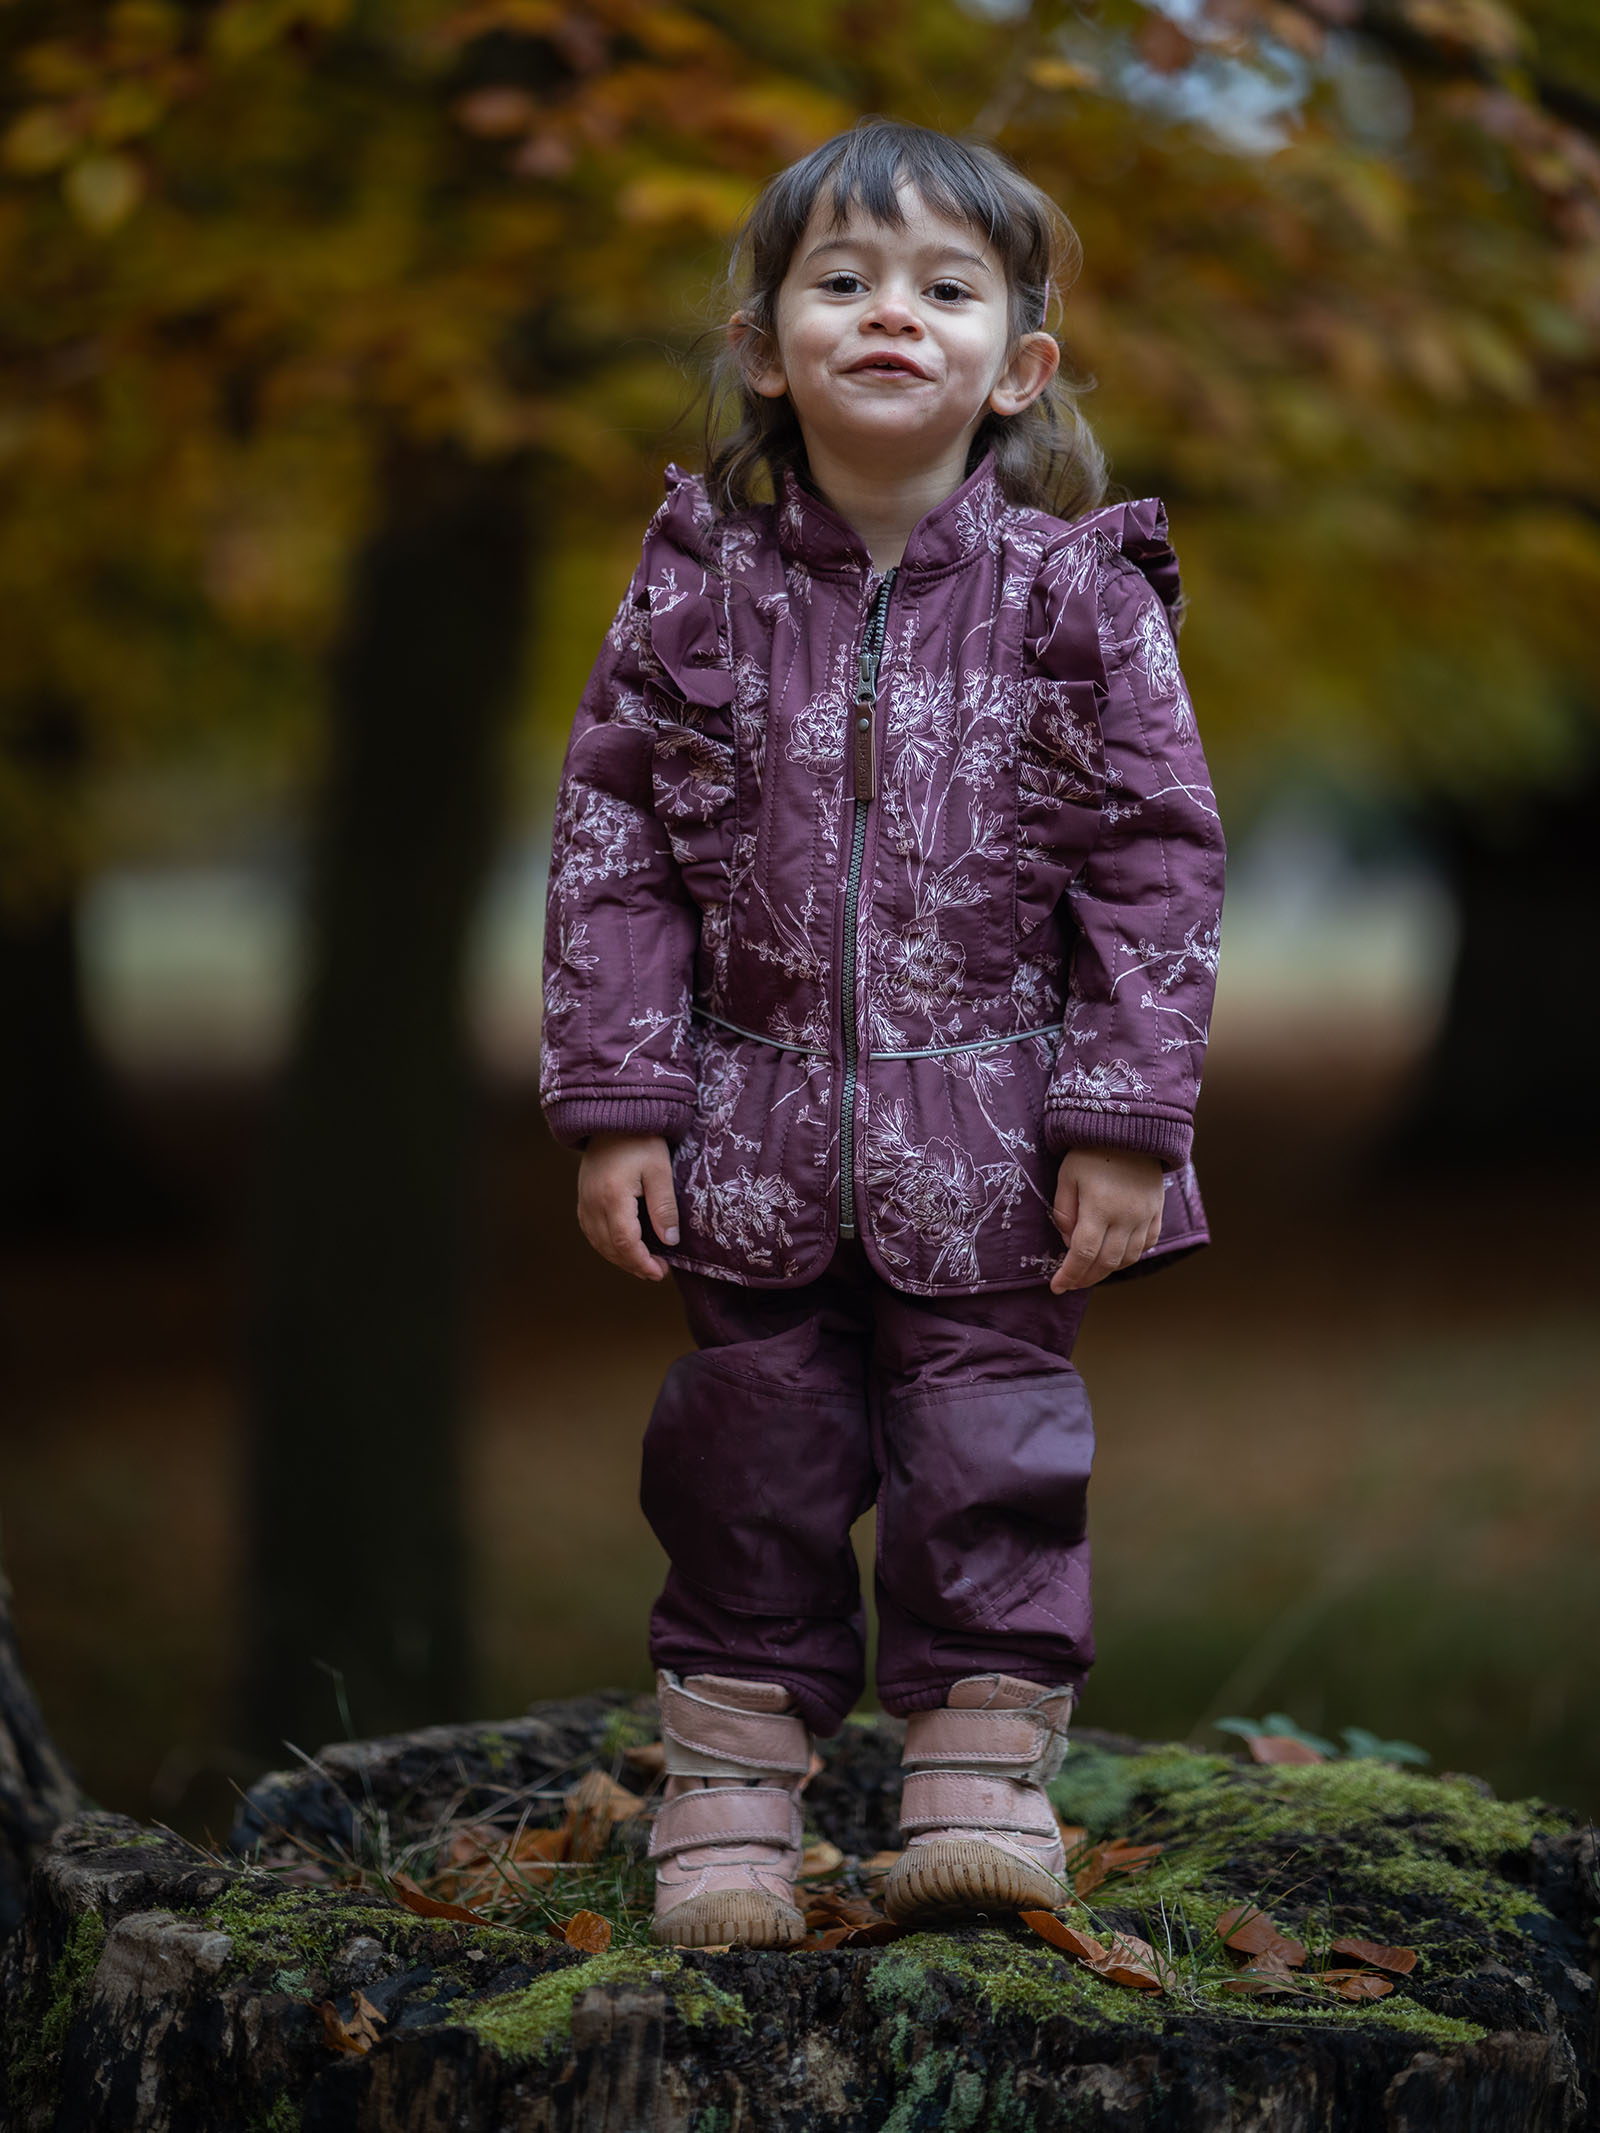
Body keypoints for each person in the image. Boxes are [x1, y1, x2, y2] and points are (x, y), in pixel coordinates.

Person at [540, 117, 1224, 1949]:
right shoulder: (694, 594)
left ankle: (980, 1781)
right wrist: (622, 1102)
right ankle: (733, 1803)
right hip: (748, 1136)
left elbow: (1158, 865)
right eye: (840, 282)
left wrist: (1123, 1117)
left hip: (998, 1136)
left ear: (1021, 366)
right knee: (743, 1460)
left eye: (945, 288)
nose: (891, 316)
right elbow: (612, 851)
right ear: (766, 343)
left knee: (993, 1449)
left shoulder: (1083, 604)